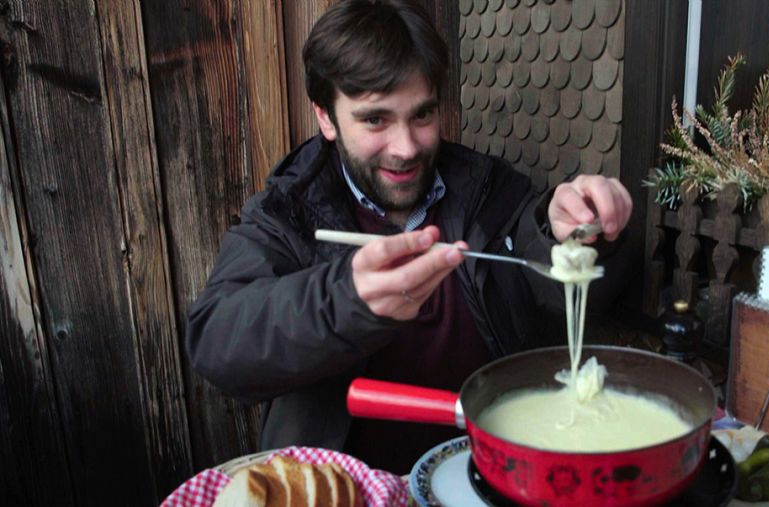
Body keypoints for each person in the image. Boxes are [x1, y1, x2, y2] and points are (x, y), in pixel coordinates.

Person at [186, 0, 633, 474]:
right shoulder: (287, 212)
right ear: (326, 118)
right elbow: (217, 343)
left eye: (422, 116)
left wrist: (573, 234)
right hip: (347, 491)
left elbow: (549, 275)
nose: (406, 148)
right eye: (375, 119)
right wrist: (348, 301)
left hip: (490, 477)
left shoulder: (486, 187)